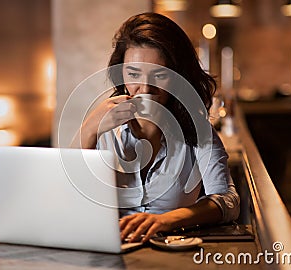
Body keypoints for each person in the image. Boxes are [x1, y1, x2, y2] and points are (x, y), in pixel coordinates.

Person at [76, 12, 240, 243]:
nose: (144, 88)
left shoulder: (197, 131)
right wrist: (88, 132)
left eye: (159, 75)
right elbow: (75, 205)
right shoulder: (102, 130)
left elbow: (228, 201)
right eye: (133, 74)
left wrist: (167, 220)